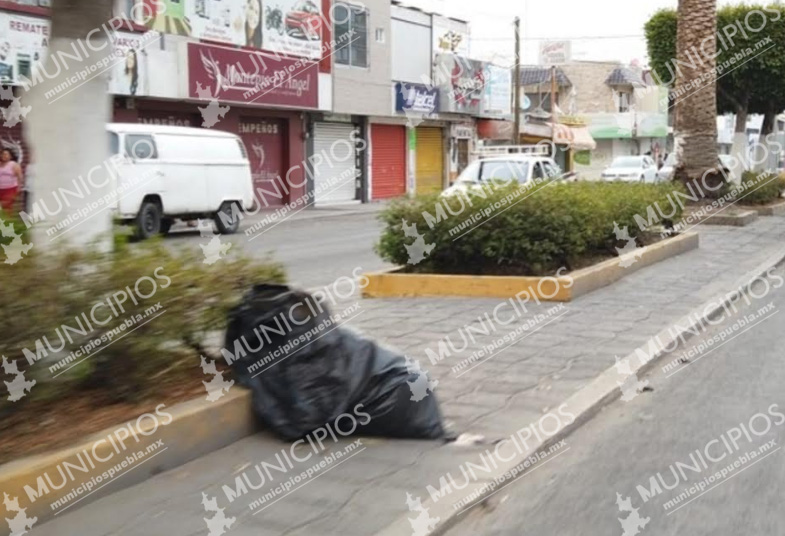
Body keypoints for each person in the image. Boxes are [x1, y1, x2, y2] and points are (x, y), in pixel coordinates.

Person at [0, 148, 22, 215]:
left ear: (10, 156)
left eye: (6, 154)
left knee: (7, 207)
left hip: (10, 189)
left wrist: (19, 187)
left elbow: (19, 176)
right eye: (3, 154)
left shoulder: (14, 165)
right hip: (0, 189)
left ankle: (8, 222)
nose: (4, 156)